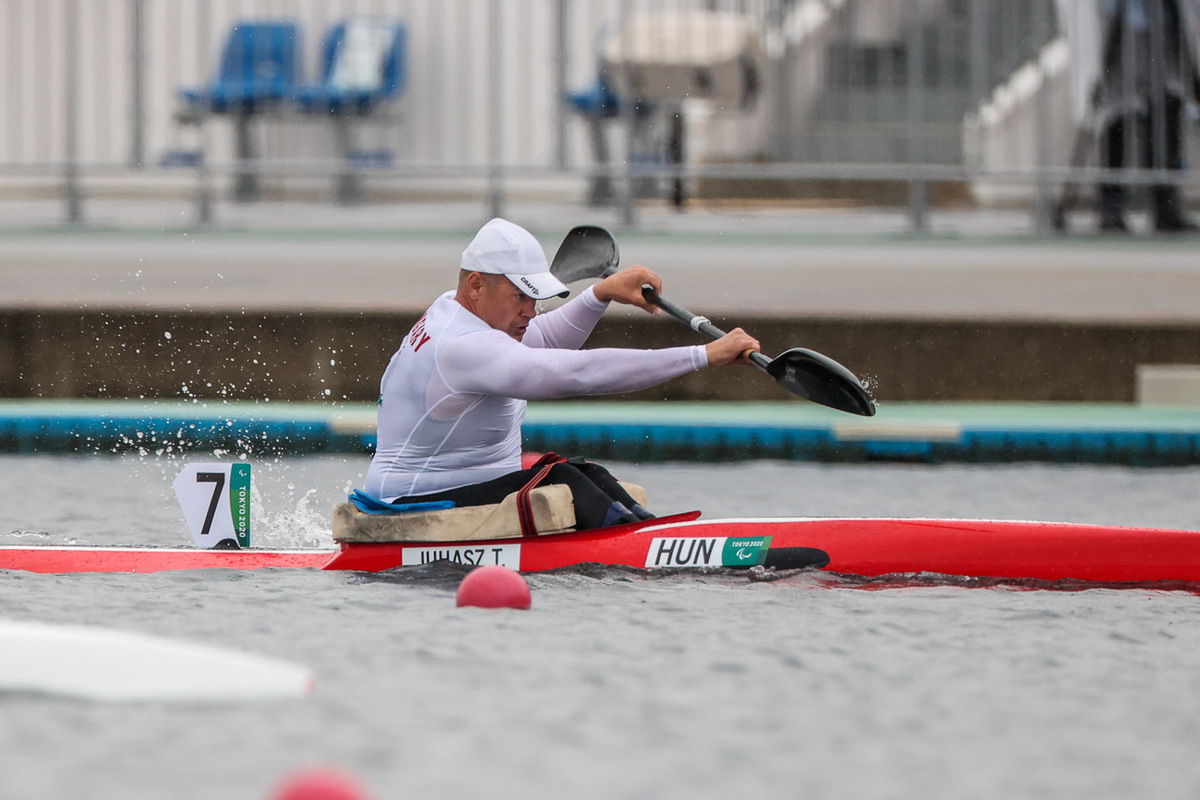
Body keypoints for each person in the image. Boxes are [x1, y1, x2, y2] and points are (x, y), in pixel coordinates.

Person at [363, 218, 760, 529]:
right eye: (520, 296)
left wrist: (600, 294)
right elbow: (578, 373)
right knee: (565, 481)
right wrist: (701, 355)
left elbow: (540, 338)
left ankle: (652, 537)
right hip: (413, 505)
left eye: (533, 297)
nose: (530, 310)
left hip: (450, 488)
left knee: (587, 473)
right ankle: (650, 547)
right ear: (477, 284)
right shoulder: (463, 347)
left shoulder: (457, 307)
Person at [1092, 0, 1200, 232]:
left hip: (1167, 19)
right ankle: (1112, 204)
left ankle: (1165, 202)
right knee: (1118, 110)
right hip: (1123, 22)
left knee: (1168, 103)